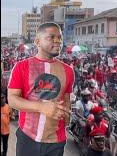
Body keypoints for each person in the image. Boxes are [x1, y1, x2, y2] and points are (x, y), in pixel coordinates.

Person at [7, 22, 74, 156]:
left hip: (56, 141)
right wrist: (41, 107)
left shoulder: (68, 70)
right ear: (37, 41)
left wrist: (67, 114)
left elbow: (66, 99)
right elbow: (12, 99)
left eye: (59, 38)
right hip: (28, 138)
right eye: (51, 37)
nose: (57, 41)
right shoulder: (22, 67)